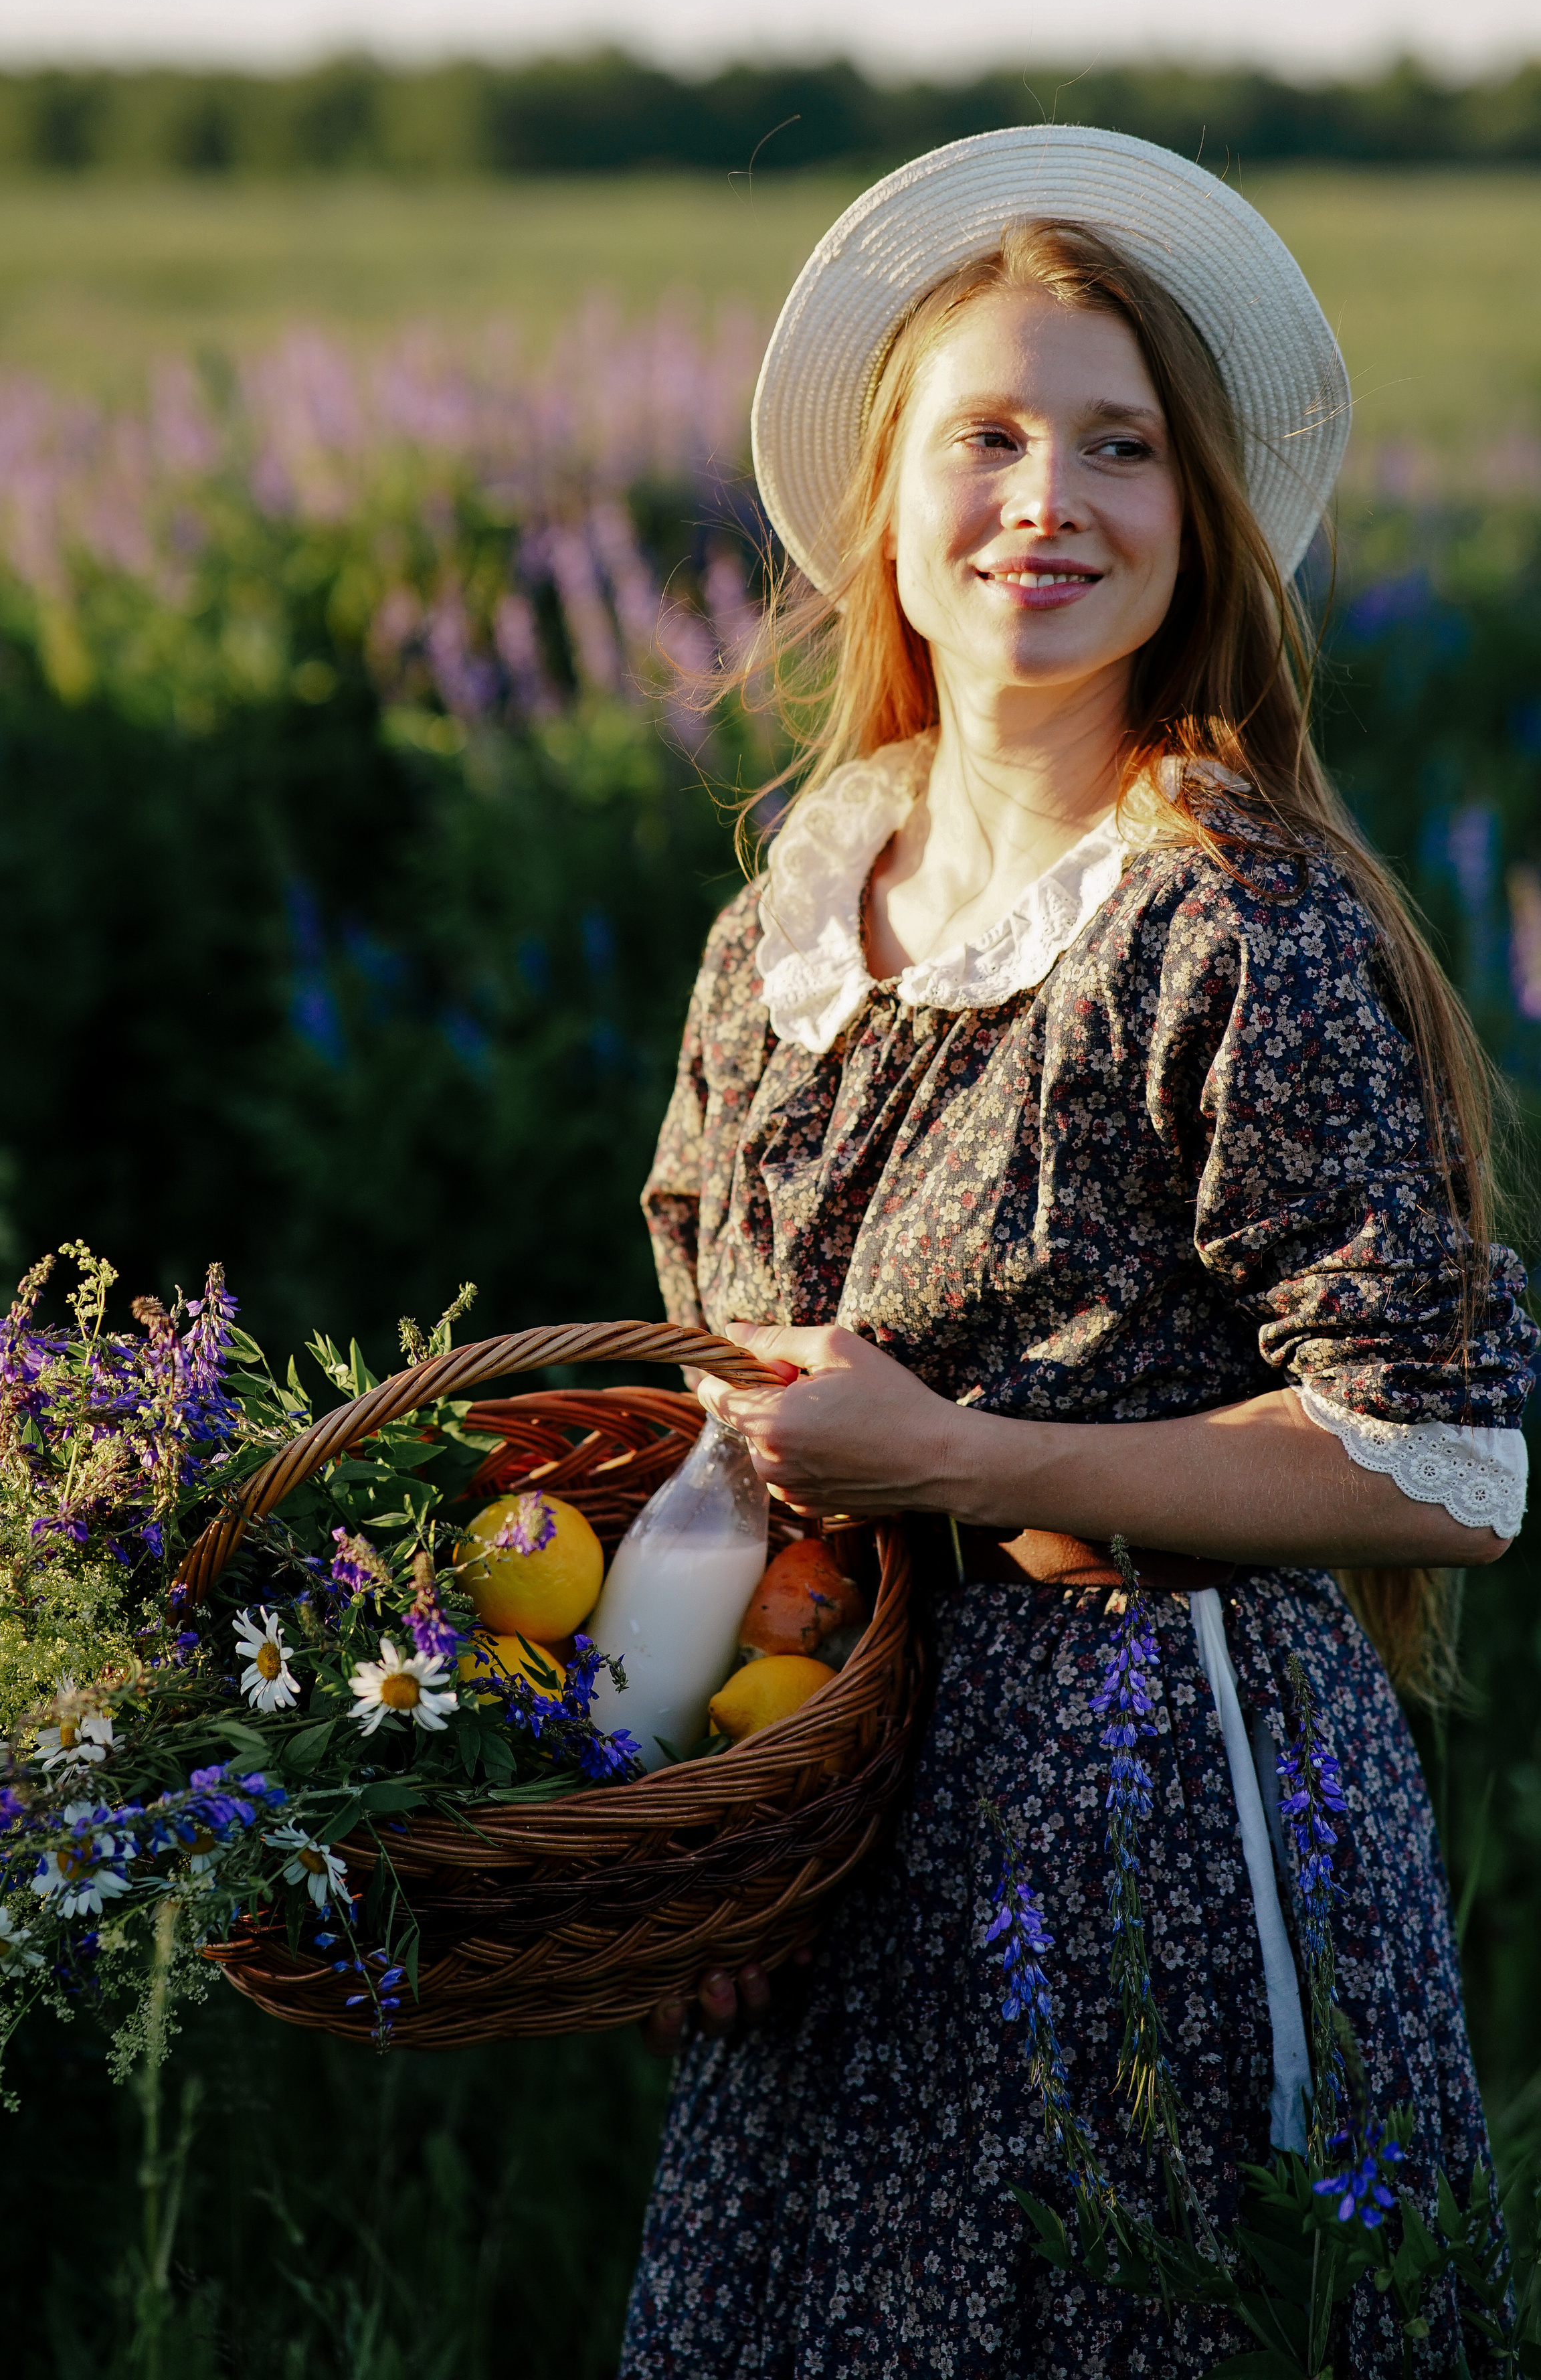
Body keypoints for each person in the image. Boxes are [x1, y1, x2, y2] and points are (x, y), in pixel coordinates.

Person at [618, 126, 1536, 2378]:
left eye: (1120, 445)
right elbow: (713, 1418)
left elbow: (1447, 1465)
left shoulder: (1238, 916)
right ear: (886, 525)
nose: (1054, 496)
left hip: (1157, 1844)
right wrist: (693, 1828)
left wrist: (969, 1460)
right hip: (831, 1818)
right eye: (991, 438)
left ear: (1194, 520)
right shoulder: (783, 924)